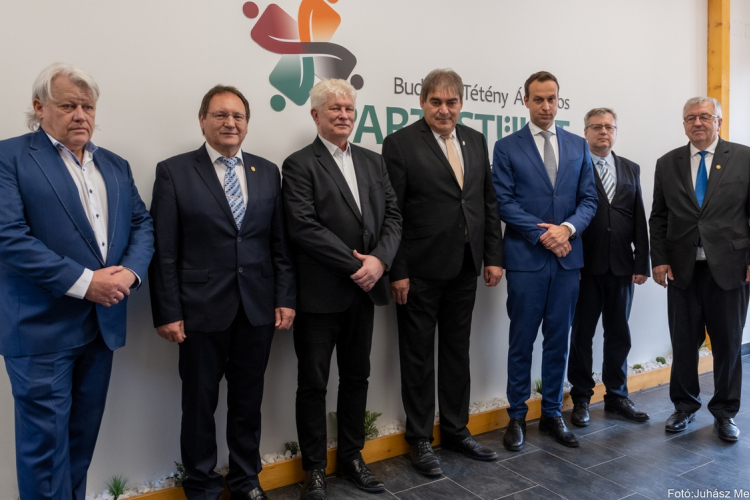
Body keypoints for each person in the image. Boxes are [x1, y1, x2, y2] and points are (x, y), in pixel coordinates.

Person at [0, 63, 154, 500]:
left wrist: (129, 273)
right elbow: (9, 236)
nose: (81, 115)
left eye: (88, 106)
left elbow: (142, 224)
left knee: (79, 446)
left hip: (101, 327)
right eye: (68, 105)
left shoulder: (115, 165)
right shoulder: (9, 157)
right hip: (41, 329)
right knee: (45, 453)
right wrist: (86, 282)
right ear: (39, 107)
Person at [149, 85, 296, 500]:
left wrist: (285, 297)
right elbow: (164, 250)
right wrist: (167, 311)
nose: (230, 122)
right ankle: (201, 487)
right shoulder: (174, 171)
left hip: (257, 308)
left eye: (238, 116)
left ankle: (246, 480)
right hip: (199, 310)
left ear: (247, 124)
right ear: (202, 120)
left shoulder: (267, 171)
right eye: (220, 115)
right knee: (199, 405)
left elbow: (280, 243)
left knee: (248, 402)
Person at [282, 79, 401, 500]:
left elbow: (393, 218)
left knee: (356, 377)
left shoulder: (373, 161)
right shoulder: (299, 164)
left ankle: (352, 457)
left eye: (349, 108)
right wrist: (359, 266)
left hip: (363, 294)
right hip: (319, 296)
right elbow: (304, 227)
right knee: (313, 384)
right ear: (315, 115)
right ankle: (314, 468)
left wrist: (379, 262)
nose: (344, 115)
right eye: (334, 108)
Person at [382, 68, 504, 477]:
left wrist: (493, 256)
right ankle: (419, 439)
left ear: (461, 104)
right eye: (436, 102)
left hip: (465, 266)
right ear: (422, 102)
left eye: (451, 102)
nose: (444, 110)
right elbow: (392, 213)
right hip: (418, 271)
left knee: (456, 352)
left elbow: (486, 202)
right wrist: (397, 270)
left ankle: (455, 430)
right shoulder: (400, 144)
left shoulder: (475, 139)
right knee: (417, 357)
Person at [492, 71, 597, 451]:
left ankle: (552, 412)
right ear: (526, 101)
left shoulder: (578, 145)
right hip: (527, 261)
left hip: (567, 261)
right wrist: (543, 235)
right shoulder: (506, 147)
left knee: (558, 341)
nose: (546, 106)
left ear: (558, 100)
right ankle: (517, 416)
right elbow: (504, 203)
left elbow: (589, 200)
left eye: (552, 98)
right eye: (538, 99)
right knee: (521, 342)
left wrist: (566, 229)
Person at [649, 96, 750, 442]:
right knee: (683, 343)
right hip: (682, 269)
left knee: (728, 345)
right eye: (690, 118)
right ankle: (684, 406)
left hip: (731, 268)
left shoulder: (744, 157)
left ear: (718, 121)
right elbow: (659, 217)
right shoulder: (668, 163)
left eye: (705, 116)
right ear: (684, 124)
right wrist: (659, 258)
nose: (697, 123)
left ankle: (725, 413)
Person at [568, 108, 650, 427]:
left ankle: (617, 396)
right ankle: (581, 398)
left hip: (622, 267)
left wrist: (641, 261)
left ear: (615, 132)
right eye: (597, 127)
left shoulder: (630, 168)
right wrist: (570, 262)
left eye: (609, 127)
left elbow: (638, 217)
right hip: (584, 268)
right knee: (582, 335)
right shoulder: (575, 166)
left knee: (619, 334)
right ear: (585, 132)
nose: (604, 131)